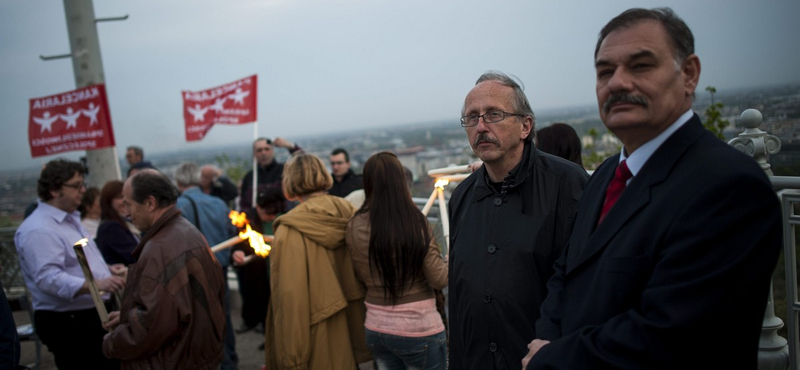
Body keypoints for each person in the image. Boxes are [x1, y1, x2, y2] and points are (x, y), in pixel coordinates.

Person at [522, 8, 782, 369]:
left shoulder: (730, 187)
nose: (617, 83)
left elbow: (674, 338)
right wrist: (545, 339)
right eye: (605, 72)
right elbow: (565, 274)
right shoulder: (606, 174)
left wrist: (551, 358)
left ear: (689, 74)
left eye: (640, 65)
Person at [447, 71, 588, 369]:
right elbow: (459, 298)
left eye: (493, 114)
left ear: (525, 126)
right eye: (471, 118)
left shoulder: (567, 184)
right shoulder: (461, 197)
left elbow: (585, 287)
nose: (481, 127)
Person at [102, 170, 226, 370]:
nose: (126, 213)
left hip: (175, 360)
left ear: (150, 203)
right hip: (196, 356)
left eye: (129, 204)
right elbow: (175, 306)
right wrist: (126, 316)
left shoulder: (159, 248)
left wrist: (112, 342)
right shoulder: (186, 230)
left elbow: (152, 325)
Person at [263, 153, 371, 369]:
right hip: (357, 327)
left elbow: (290, 299)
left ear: (289, 182)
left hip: (318, 336)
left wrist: (291, 359)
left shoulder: (289, 229)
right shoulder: (350, 211)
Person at [15, 158, 125, 369]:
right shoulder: (39, 229)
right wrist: (96, 285)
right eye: (76, 186)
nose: (83, 190)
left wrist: (106, 271)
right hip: (70, 322)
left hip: (88, 315)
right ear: (55, 190)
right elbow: (48, 279)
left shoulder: (69, 218)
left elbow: (76, 261)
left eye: (82, 184)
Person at [346, 152, 448, 370]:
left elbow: (359, 275)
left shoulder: (354, 224)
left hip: (375, 327)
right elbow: (439, 279)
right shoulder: (414, 221)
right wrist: (450, 263)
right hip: (418, 327)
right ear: (400, 181)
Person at [174, 162, 238, 370]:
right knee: (224, 318)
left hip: (196, 273)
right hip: (221, 268)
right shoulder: (219, 203)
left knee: (205, 324)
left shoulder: (178, 207)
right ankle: (231, 361)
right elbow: (231, 233)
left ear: (179, 181)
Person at [232, 189, 283, 338]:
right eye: (268, 214)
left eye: (274, 214)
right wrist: (237, 252)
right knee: (260, 304)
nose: (271, 217)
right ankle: (261, 328)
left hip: (277, 270)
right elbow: (238, 242)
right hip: (257, 272)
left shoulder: (283, 218)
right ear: (259, 208)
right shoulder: (247, 220)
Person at [239, 137, 302, 212]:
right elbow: (244, 206)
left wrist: (290, 146)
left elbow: (306, 163)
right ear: (254, 154)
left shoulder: (285, 171)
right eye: (259, 150)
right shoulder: (249, 178)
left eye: (267, 149)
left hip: (286, 218)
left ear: (272, 151)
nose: (263, 153)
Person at [96, 180, 141, 266]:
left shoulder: (125, 222)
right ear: (108, 201)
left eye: (126, 197)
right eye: (120, 197)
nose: (124, 201)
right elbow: (133, 256)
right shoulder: (110, 228)